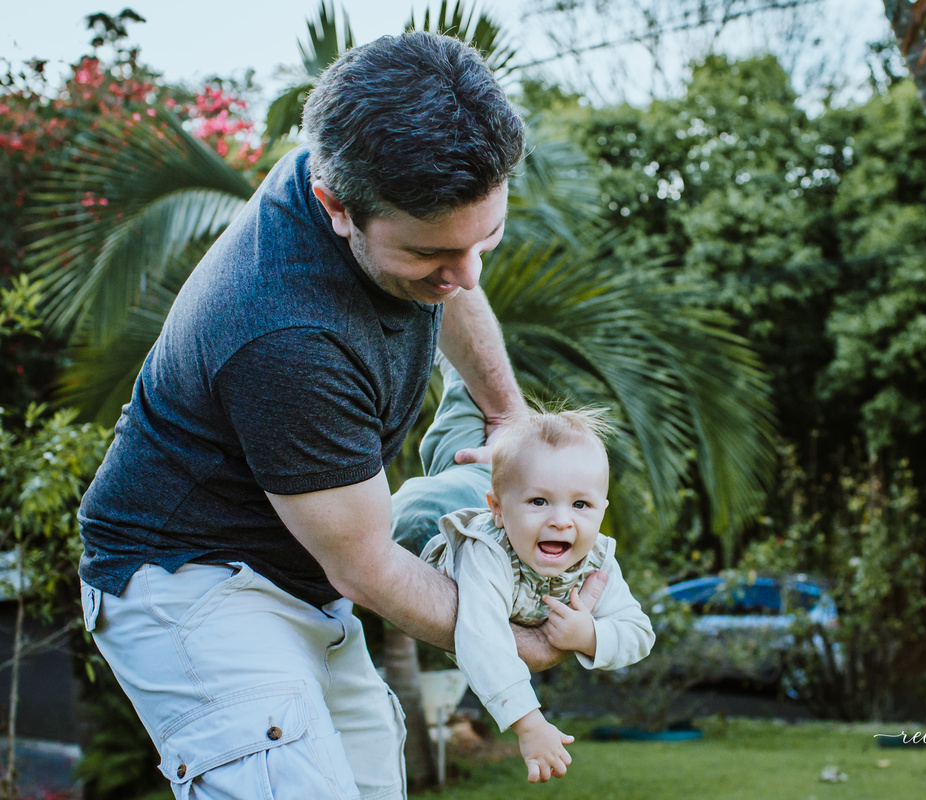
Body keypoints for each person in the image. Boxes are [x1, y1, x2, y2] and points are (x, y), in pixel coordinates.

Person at [77, 32, 601, 800]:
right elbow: (366, 565)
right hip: (190, 583)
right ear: (336, 208)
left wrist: (507, 417)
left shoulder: (360, 172)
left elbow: (455, 275)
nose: (465, 275)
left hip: (300, 580)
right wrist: (512, 641)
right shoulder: (284, 336)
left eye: (483, 238)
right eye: (431, 256)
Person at [405, 365, 654, 783]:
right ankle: (454, 364)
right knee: (454, 454)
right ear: (498, 510)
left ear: (601, 511)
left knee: (464, 453)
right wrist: (528, 722)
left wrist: (588, 635)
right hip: (422, 520)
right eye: (541, 501)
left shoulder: (596, 559)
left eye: (581, 505)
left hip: (492, 494)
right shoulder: (489, 555)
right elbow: (482, 638)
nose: (561, 521)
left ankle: (458, 370)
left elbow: (639, 632)